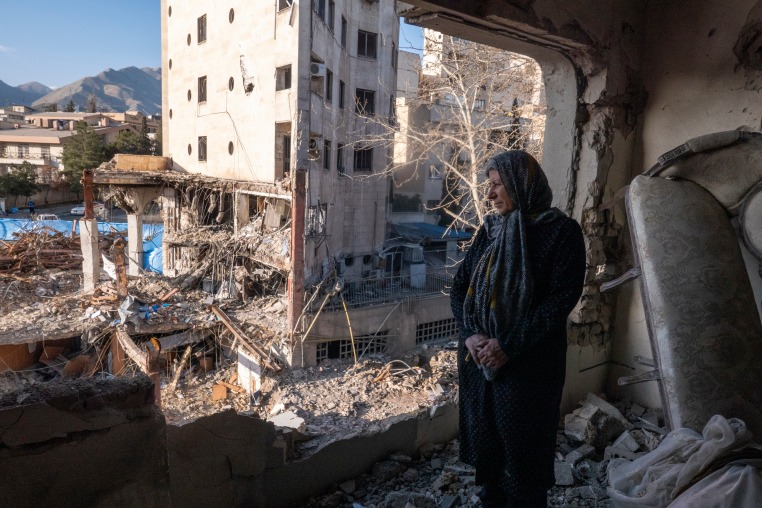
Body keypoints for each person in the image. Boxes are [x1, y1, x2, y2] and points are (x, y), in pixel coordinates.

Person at [450, 150, 586, 507]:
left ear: (521, 185)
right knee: (489, 449)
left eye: (497, 185)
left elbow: (560, 300)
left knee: (523, 457)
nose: (490, 194)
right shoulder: (490, 230)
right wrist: (471, 335)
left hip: (528, 366)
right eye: (489, 185)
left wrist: (507, 344)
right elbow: (460, 286)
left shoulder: (560, 233)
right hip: (480, 363)